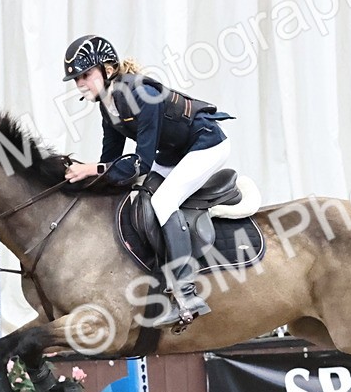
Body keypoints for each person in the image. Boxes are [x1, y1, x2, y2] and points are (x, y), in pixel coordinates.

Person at [62, 34, 234, 328]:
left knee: (163, 200)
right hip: (174, 153)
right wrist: (81, 181)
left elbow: (139, 161)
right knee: (137, 197)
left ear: (108, 69)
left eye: (86, 75)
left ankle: (186, 291)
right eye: (77, 79)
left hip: (206, 143)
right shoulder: (109, 106)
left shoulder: (139, 93)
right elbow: (112, 160)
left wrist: (92, 169)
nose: (80, 84)